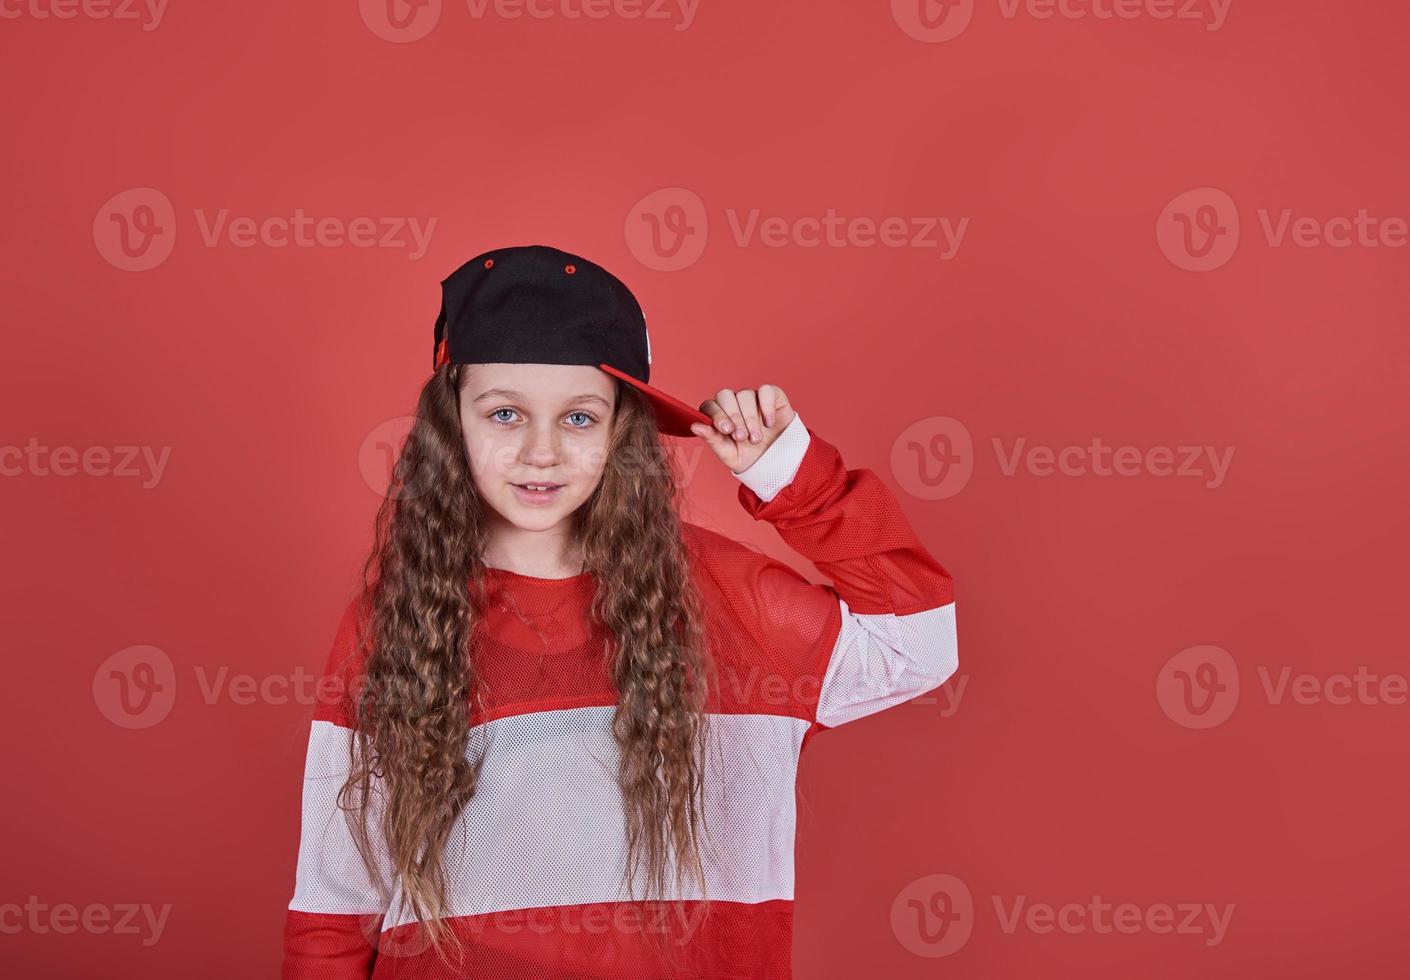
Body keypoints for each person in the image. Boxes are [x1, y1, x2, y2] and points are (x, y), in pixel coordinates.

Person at [280, 245, 959, 979]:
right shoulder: (395, 620)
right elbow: (333, 906)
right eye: (504, 412)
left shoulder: (731, 601)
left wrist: (793, 479)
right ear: (452, 425)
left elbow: (916, 648)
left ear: (619, 432)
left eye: (578, 417)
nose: (541, 451)